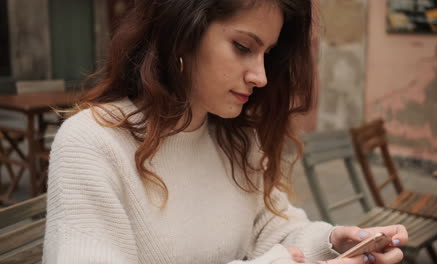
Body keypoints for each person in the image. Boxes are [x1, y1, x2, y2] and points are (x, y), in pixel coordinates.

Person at [43, 0, 408, 263]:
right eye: (243, 47)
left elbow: (271, 229)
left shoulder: (236, 138)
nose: (261, 76)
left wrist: (332, 242)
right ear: (182, 33)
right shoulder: (92, 143)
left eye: (267, 54)